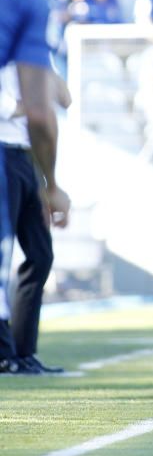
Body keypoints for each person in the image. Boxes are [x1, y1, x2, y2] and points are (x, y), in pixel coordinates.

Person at [0, 0, 71, 375]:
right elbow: (43, 109)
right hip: (12, 148)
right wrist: (53, 181)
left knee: (31, 256)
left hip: (15, 149)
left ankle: (17, 353)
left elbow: (51, 98)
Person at [0, 65, 70, 374]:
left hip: (27, 156)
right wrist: (33, 99)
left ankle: (23, 350)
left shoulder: (30, 53)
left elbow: (64, 98)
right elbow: (18, 107)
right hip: (2, 150)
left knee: (41, 255)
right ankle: (4, 353)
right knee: (2, 255)